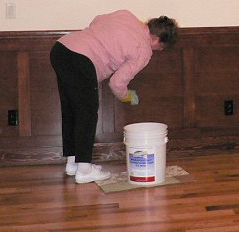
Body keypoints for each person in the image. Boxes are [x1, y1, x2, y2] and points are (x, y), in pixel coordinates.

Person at [50, 10, 179, 183]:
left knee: (71, 110)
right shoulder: (143, 50)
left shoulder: (126, 15)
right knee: (87, 114)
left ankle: (73, 163)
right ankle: (84, 170)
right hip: (82, 60)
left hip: (61, 49)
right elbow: (117, 83)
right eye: (160, 48)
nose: (157, 50)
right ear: (156, 39)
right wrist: (127, 96)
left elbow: (96, 20)